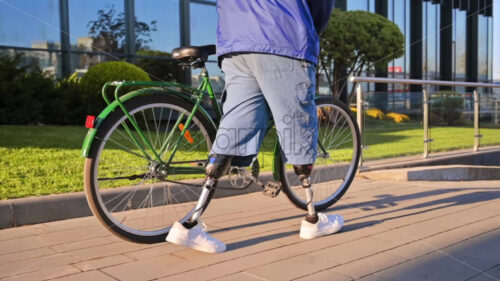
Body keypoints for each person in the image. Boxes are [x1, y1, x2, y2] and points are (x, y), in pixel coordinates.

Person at [166, 0, 343, 253]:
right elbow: (320, 8)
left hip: (235, 42)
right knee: (297, 123)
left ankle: (189, 225)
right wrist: (309, 29)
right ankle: (313, 220)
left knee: (234, 128)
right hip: (283, 36)